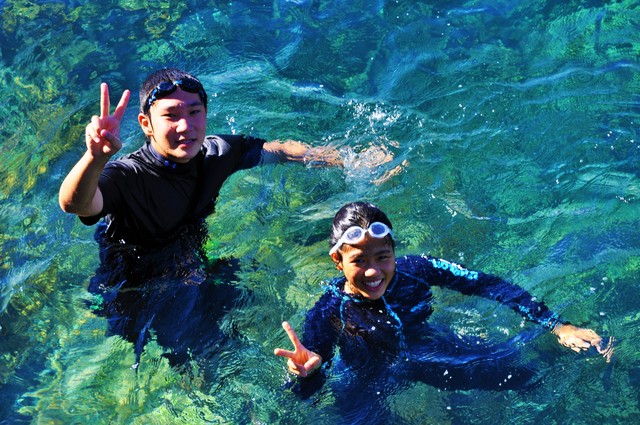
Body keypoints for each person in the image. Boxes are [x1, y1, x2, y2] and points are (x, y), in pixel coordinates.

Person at [58, 68, 341, 366]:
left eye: (194, 112)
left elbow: (278, 151)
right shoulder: (128, 175)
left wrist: (346, 159)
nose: (185, 126)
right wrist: (95, 158)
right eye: (170, 116)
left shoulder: (216, 154)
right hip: (136, 289)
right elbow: (76, 204)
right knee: (202, 357)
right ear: (146, 124)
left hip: (190, 264)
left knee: (255, 293)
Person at [274, 202, 613, 420]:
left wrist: (557, 325)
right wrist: (305, 376)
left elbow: (487, 284)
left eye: (382, 257)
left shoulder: (417, 270)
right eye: (359, 260)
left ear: (394, 251)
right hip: (367, 376)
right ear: (338, 261)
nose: (373, 271)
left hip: (429, 350)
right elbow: (308, 384)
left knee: (526, 376)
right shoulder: (329, 310)